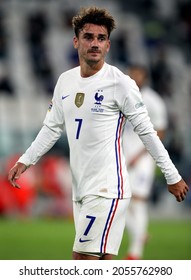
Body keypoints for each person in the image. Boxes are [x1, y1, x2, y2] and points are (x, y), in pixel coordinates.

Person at [8, 7, 189, 260]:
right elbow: (51, 128)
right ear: (76, 41)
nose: (95, 43)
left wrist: (172, 175)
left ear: (108, 45)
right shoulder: (65, 81)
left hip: (107, 188)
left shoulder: (121, 84)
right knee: (101, 264)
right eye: (88, 37)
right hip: (80, 187)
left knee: (82, 260)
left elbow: (148, 132)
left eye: (101, 38)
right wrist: (26, 160)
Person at [122, 64, 168, 260]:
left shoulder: (153, 101)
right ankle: (140, 234)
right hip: (122, 157)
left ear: (145, 77)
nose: (134, 78)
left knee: (138, 201)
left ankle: (135, 252)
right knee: (117, 201)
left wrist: (138, 155)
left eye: (138, 75)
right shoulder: (123, 96)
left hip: (142, 160)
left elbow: (160, 133)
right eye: (132, 74)